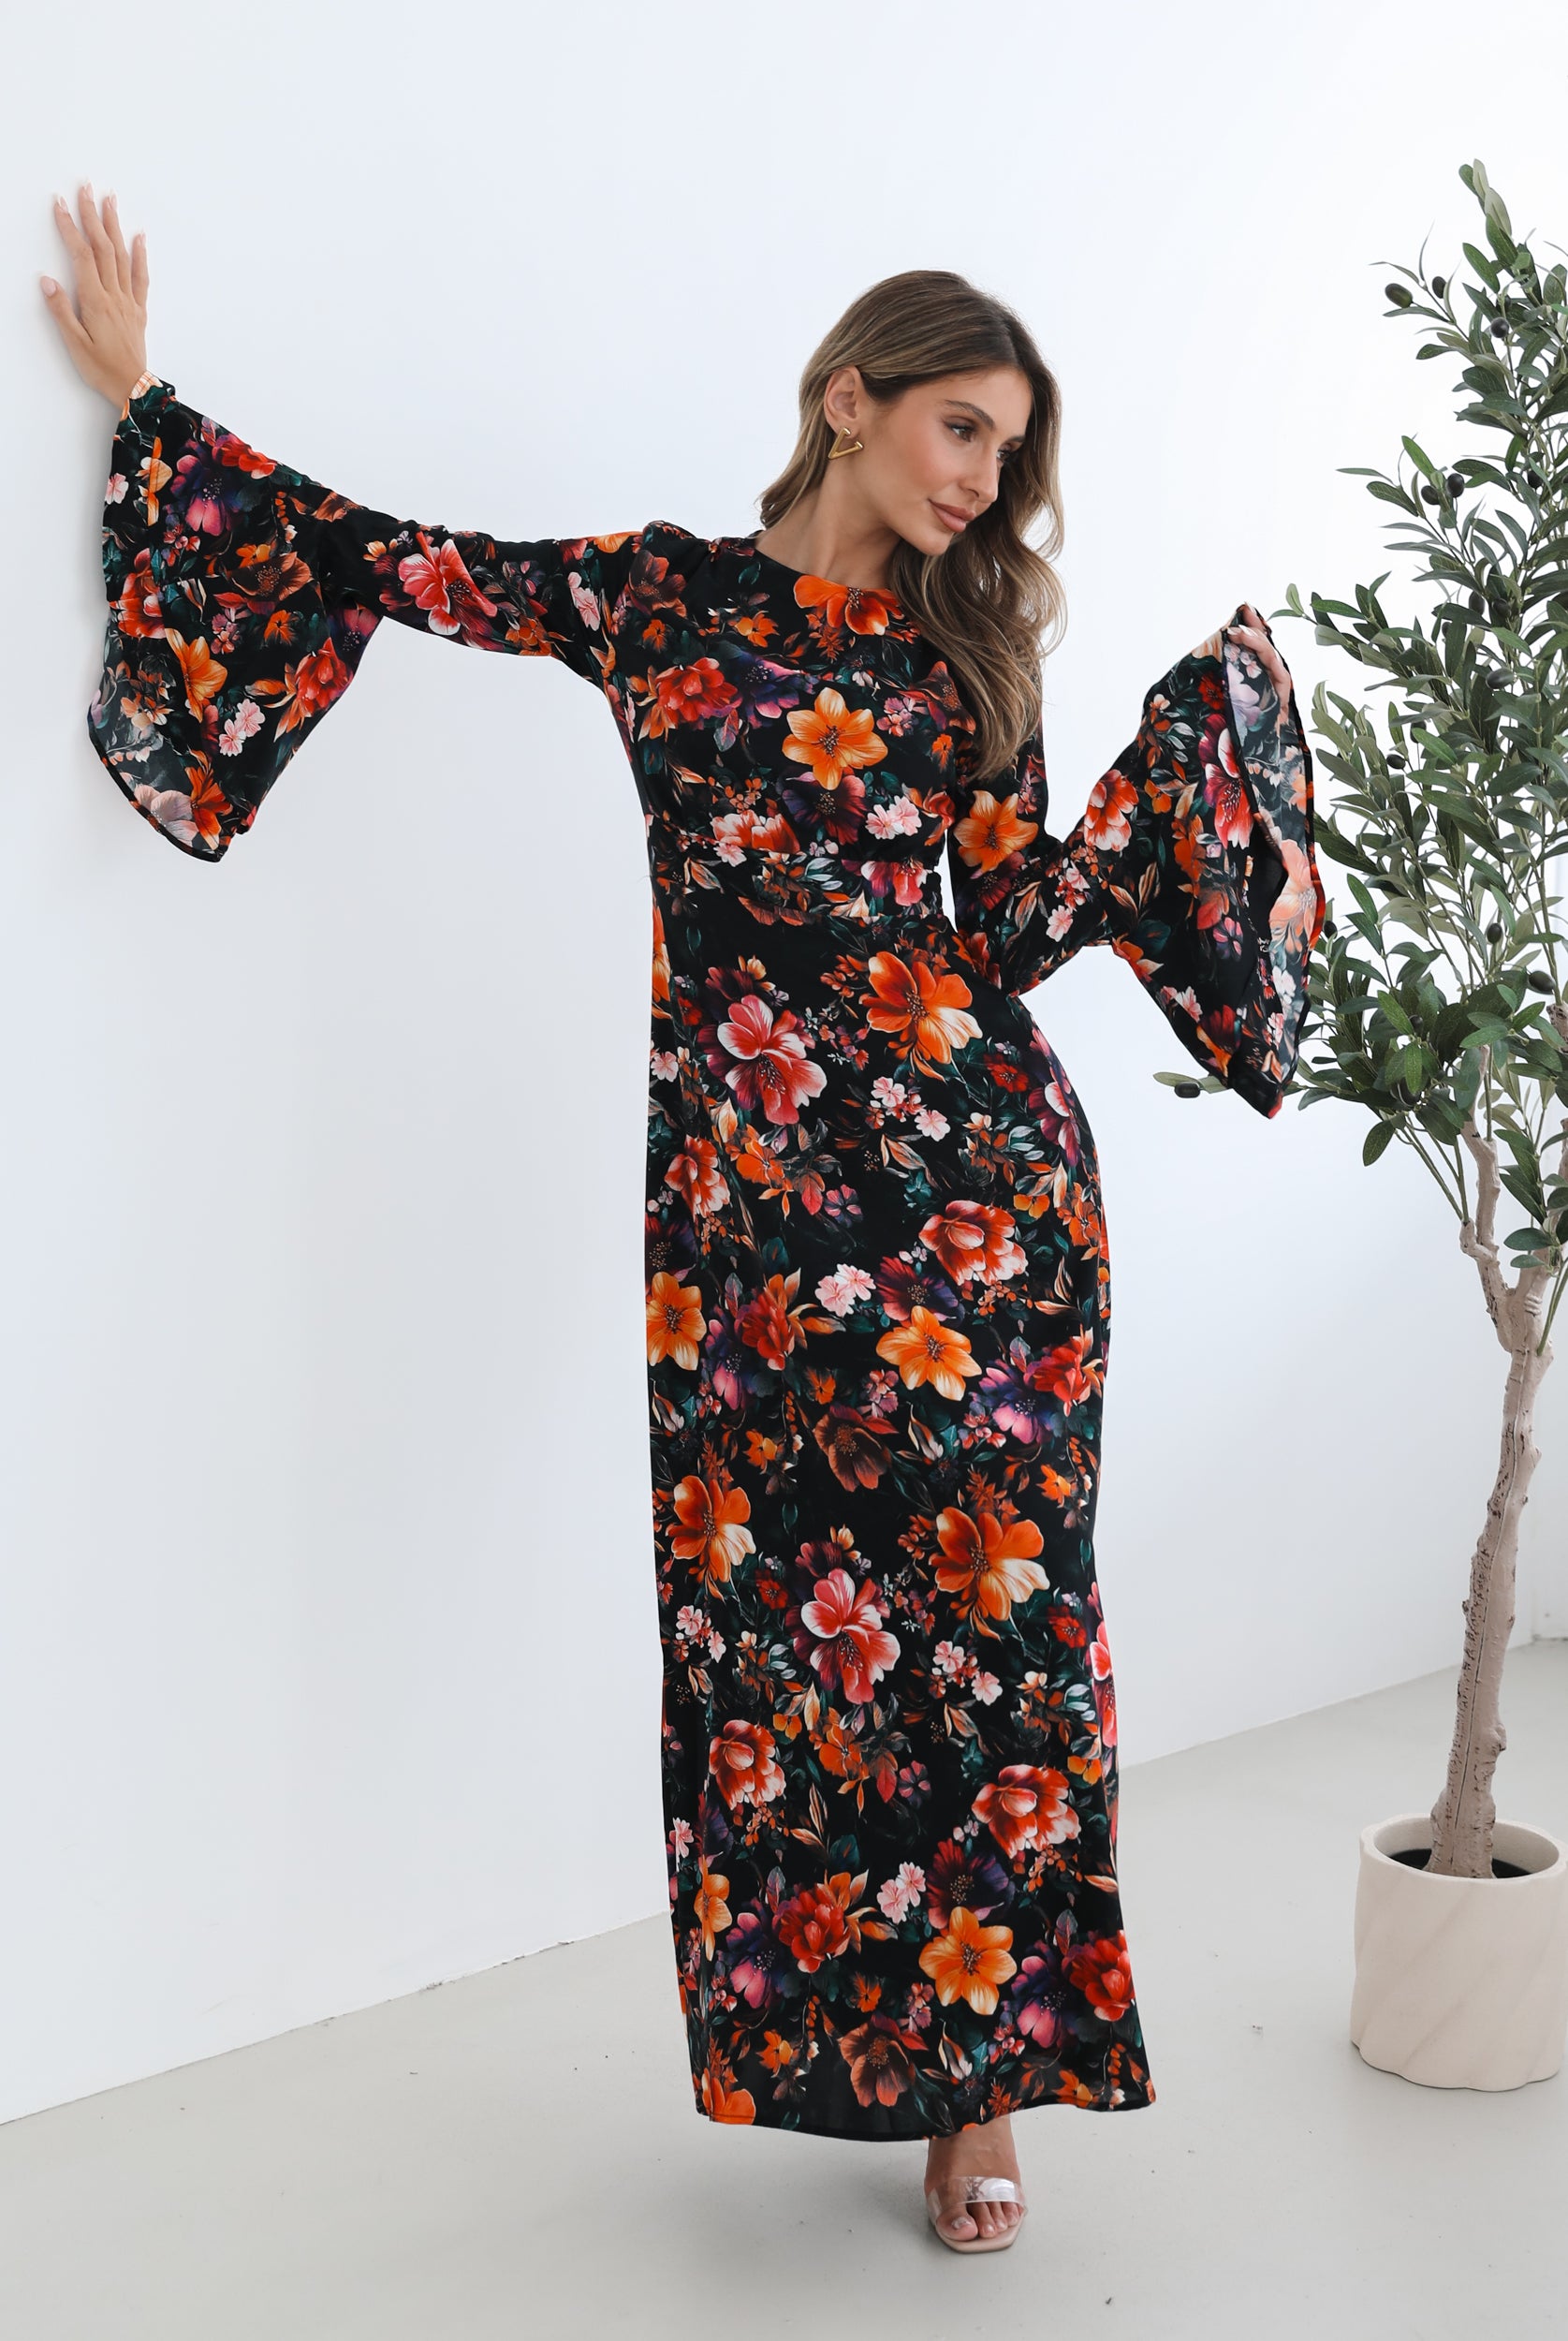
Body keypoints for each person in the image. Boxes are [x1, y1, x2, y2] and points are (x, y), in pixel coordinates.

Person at [42, 183, 1323, 2255]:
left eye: (1009, 447)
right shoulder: (660, 601)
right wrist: (148, 403)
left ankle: (977, 2096)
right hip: (748, 1241)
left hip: (980, 1221)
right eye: (961, 428)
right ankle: (858, 2051)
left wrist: (1228, 852)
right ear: (846, 398)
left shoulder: (966, 664)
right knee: (794, 1649)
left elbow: (1005, 923)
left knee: (1000, 1655)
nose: (987, 478)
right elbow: (394, 562)